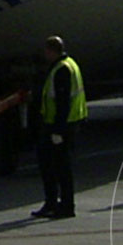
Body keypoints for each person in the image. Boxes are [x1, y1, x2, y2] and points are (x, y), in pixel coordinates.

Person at [33, 36, 85, 218]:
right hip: (65, 123)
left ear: (51, 51)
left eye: (46, 51)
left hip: (60, 126)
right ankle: (53, 203)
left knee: (59, 168)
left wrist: (58, 131)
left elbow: (63, 102)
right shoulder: (69, 64)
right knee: (53, 166)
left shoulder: (62, 69)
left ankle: (64, 205)